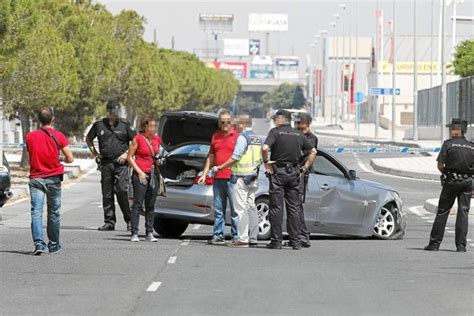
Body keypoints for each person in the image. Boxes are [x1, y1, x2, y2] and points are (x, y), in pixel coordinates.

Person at [262, 109, 316, 250]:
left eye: (275, 118)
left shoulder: (275, 132)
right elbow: (313, 151)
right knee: (294, 208)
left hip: (278, 173)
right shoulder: (298, 134)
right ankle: (295, 241)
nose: (274, 121)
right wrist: (304, 168)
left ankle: (276, 241)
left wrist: (266, 162)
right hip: (294, 173)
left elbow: (264, 147)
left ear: (281, 119)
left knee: (276, 208)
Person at [26, 107, 74, 255]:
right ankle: (53, 245)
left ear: (39, 120)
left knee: (36, 212)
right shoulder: (59, 136)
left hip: (36, 178)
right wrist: (61, 158)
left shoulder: (30, 137)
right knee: (53, 212)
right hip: (53, 178)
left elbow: (33, 154)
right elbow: (70, 159)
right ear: (52, 119)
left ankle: (39, 244)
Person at [424, 118, 473, 252]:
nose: (451, 130)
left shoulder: (448, 144)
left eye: (453, 128)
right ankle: (461, 246)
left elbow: (440, 165)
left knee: (443, 212)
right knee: (463, 213)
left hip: (452, 181)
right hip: (468, 183)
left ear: (457, 130)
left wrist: (446, 173)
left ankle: (434, 244)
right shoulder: (471, 146)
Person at [86, 100, 136, 231]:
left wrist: (126, 154)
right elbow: (89, 139)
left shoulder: (125, 125)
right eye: (111, 111)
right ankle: (109, 222)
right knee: (107, 193)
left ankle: (130, 220)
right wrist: (95, 154)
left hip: (122, 164)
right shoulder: (99, 125)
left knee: (121, 191)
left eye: (115, 111)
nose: (113, 113)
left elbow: (136, 141)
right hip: (106, 163)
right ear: (107, 111)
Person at [214, 115, 262, 248]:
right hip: (253, 178)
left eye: (236, 124)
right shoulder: (257, 139)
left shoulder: (242, 138)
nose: (234, 126)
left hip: (241, 178)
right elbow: (262, 156)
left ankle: (242, 239)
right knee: (251, 207)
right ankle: (253, 238)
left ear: (242, 124)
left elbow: (236, 157)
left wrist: (220, 167)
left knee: (240, 209)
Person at [198, 109, 239, 244]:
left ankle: (236, 236)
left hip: (233, 178)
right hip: (218, 178)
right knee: (219, 210)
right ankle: (218, 235)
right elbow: (211, 157)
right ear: (219, 123)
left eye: (228, 122)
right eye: (223, 122)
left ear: (231, 122)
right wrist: (204, 174)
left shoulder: (237, 137)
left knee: (235, 210)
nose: (225, 125)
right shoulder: (215, 137)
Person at [127, 116, 161, 242]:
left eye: (154, 126)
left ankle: (149, 232)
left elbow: (157, 154)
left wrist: (160, 160)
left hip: (154, 174)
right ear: (144, 127)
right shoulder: (137, 139)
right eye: (150, 126)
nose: (153, 129)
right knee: (137, 204)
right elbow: (129, 157)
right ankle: (134, 233)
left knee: (150, 204)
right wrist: (140, 172)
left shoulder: (157, 139)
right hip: (140, 174)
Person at [292, 112, 318, 248]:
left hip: (300, 175)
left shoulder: (311, 138)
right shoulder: (296, 134)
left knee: (296, 206)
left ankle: (303, 236)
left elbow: (304, 153)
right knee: (294, 207)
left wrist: (304, 169)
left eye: (299, 125)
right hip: (291, 173)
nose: (297, 127)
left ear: (306, 124)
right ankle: (296, 236)